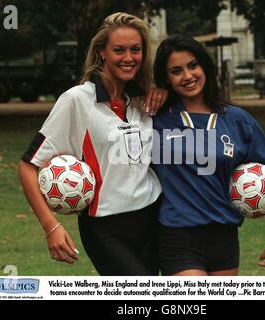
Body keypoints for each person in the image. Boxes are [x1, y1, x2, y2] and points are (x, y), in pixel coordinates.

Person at [18, 12, 168, 276]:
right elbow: (28, 166)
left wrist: (164, 89)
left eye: (136, 50)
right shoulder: (76, 100)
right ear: (101, 52)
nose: (129, 58)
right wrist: (50, 226)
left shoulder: (144, 100)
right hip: (105, 227)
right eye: (118, 50)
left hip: (154, 216)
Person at [152, 34, 265, 276]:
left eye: (193, 66)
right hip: (178, 238)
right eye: (176, 71)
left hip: (225, 238)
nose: (187, 76)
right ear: (166, 78)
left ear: (204, 66)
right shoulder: (156, 120)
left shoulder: (237, 120)